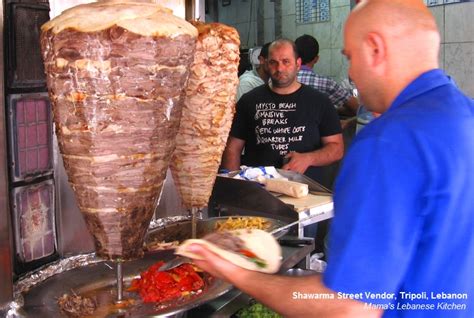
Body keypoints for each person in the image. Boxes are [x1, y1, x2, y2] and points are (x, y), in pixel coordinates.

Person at [183, 1, 474, 317]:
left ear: (375, 48)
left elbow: (348, 306)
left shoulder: (389, 141)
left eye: (350, 57)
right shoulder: (464, 114)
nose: (350, 72)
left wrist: (237, 272)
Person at [222, 39, 344, 184]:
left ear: (298, 64)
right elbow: (232, 148)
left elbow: (337, 148)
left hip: (307, 193)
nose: (279, 68)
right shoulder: (249, 101)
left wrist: (308, 158)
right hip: (259, 192)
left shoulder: (319, 101)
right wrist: (234, 186)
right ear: (266, 64)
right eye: (273, 62)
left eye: (286, 61)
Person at [295, 34, 359, 117]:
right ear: (316, 59)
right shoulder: (326, 83)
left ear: (294, 57)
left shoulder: (280, 82)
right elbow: (356, 108)